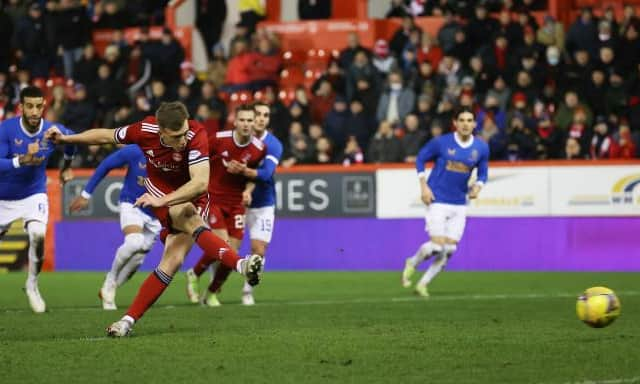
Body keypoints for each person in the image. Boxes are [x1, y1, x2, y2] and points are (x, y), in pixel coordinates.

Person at [45, 101, 263, 336]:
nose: (181, 141)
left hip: (192, 194)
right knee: (189, 218)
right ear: (161, 131)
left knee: (172, 261)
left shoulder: (195, 133)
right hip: (160, 191)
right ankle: (240, 264)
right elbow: (106, 135)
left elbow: (200, 183)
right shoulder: (144, 130)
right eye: (175, 136)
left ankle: (126, 322)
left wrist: (165, 200)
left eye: (183, 134)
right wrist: (67, 140)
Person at [0, 86, 75, 313]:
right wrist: (21, 160)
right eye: (30, 106)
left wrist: (66, 167)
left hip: (34, 193)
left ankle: (32, 284)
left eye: (38, 106)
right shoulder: (7, 129)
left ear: (44, 106)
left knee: (38, 235)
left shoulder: (53, 131)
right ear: (21, 107)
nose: (34, 111)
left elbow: (71, 142)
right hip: (3, 197)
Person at [401, 107, 489, 297]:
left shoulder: (481, 147)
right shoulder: (441, 143)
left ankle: (423, 284)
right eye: (462, 120)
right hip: (438, 199)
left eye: (470, 120)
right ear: (455, 123)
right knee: (437, 246)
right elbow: (420, 159)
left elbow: (483, 172)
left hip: (459, 203)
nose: (466, 124)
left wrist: (478, 186)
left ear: (474, 124)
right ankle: (412, 262)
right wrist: (423, 186)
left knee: (449, 250)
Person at [185, 104, 266, 306]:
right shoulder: (219, 139)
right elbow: (197, 159)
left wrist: (247, 190)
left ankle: (211, 292)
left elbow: (254, 177)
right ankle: (194, 274)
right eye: (243, 120)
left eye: (250, 120)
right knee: (224, 245)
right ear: (235, 121)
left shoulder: (258, 149)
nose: (246, 124)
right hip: (214, 198)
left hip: (237, 203)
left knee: (232, 255)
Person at [69, 145, 161, 310]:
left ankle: (108, 289)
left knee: (139, 258)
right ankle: (110, 281)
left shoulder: (176, 155)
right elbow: (106, 164)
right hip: (132, 203)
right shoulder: (136, 150)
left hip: (157, 213)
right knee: (135, 242)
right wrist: (85, 194)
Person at [225, 101, 283, 305]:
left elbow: (266, 174)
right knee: (226, 248)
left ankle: (247, 291)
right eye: (257, 114)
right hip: (235, 200)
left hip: (263, 203)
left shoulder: (273, 145)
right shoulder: (235, 140)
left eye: (265, 115)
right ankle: (209, 285)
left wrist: (242, 170)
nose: (260, 118)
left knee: (259, 250)